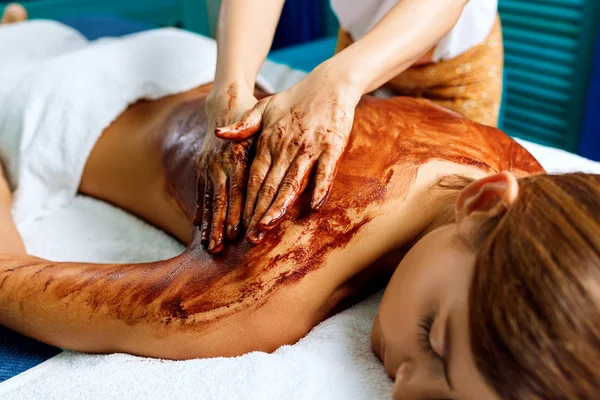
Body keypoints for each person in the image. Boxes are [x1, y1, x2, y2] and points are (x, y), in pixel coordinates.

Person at [1, 16, 599, 400]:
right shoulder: (274, 282)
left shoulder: (525, 179)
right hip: (58, 111)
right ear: (484, 204)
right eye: (433, 339)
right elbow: (9, 278)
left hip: (177, 57)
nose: (405, 391)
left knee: (34, 37)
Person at [199, 0, 501, 254]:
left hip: (458, 65)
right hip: (359, 42)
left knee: (451, 205)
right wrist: (229, 86)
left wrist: (339, 82)